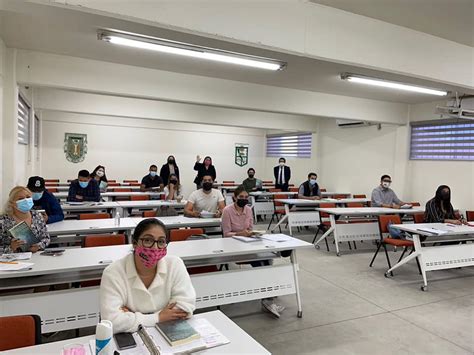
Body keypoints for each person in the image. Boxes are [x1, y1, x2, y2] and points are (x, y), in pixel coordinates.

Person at [100, 218, 196, 334]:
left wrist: (131, 316)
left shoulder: (175, 264)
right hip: (131, 337)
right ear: (135, 243)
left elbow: (185, 306)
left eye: (161, 241)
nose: (155, 248)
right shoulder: (113, 272)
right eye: (148, 240)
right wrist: (158, 317)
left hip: (168, 331)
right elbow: (112, 321)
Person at [221, 186, 285, 318]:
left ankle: (266, 294)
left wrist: (252, 233)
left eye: (246, 197)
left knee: (267, 260)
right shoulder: (227, 211)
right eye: (241, 197)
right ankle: (267, 297)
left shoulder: (249, 210)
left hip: (249, 243)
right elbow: (226, 234)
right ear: (234, 198)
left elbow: (250, 228)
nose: (244, 199)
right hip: (233, 246)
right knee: (261, 264)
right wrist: (241, 233)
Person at [0, 186, 50, 253]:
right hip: (13, 261)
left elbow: (46, 238)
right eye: (21, 198)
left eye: (28, 197)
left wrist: (38, 246)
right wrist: (11, 248)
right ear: (12, 203)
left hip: (35, 258)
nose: (26, 200)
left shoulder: (37, 216)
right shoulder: (3, 221)